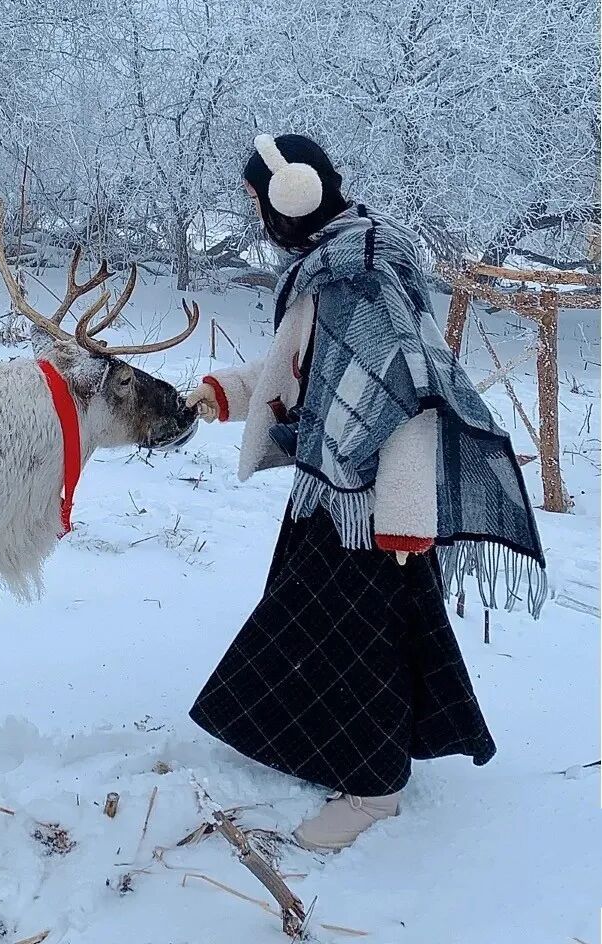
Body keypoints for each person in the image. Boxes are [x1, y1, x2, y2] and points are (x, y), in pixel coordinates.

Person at [187, 133, 546, 852]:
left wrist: (406, 519)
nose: (257, 213)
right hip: (335, 487)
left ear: (294, 195)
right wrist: (223, 393)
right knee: (329, 631)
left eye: (259, 200)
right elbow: (305, 366)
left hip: (373, 504)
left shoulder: (365, 275)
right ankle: (339, 752)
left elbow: (409, 399)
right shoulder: (333, 263)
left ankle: (373, 789)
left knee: (360, 645)